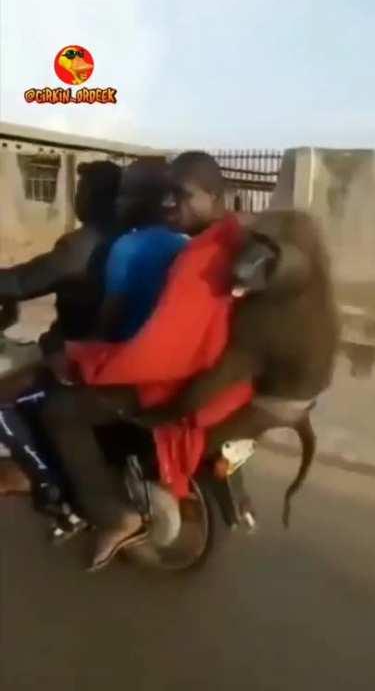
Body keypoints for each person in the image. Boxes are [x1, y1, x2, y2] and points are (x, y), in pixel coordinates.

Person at [39, 151, 239, 570]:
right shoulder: (201, 245)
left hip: (150, 375)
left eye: (179, 195)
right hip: (193, 372)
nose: (171, 204)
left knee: (58, 408)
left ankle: (113, 515)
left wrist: (79, 355)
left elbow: (119, 329)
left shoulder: (128, 248)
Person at [0, 160, 122, 537]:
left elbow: (23, 281)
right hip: (112, 350)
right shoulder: (130, 237)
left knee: (3, 402)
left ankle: (53, 492)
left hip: (74, 354)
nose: (76, 198)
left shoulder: (82, 245)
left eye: (82, 191)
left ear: (91, 198)